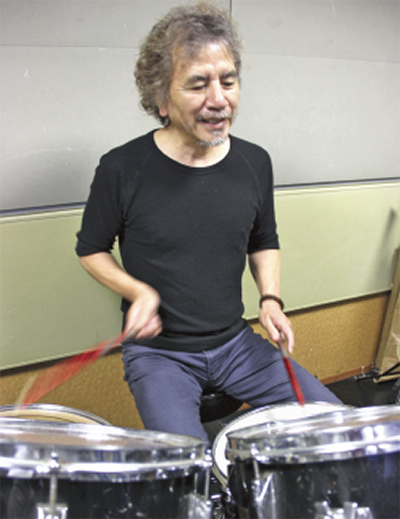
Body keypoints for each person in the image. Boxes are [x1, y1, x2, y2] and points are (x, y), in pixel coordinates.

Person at [76, 2, 341, 443]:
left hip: (236, 344)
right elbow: (90, 250)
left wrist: (271, 299)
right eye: (198, 84)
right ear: (161, 98)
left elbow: (264, 239)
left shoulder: (255, 162)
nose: (219, 100)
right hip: (160, 355)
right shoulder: (122, 168)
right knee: (188, 470)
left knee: (336, 426)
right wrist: (137, 292)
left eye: (228, 81)